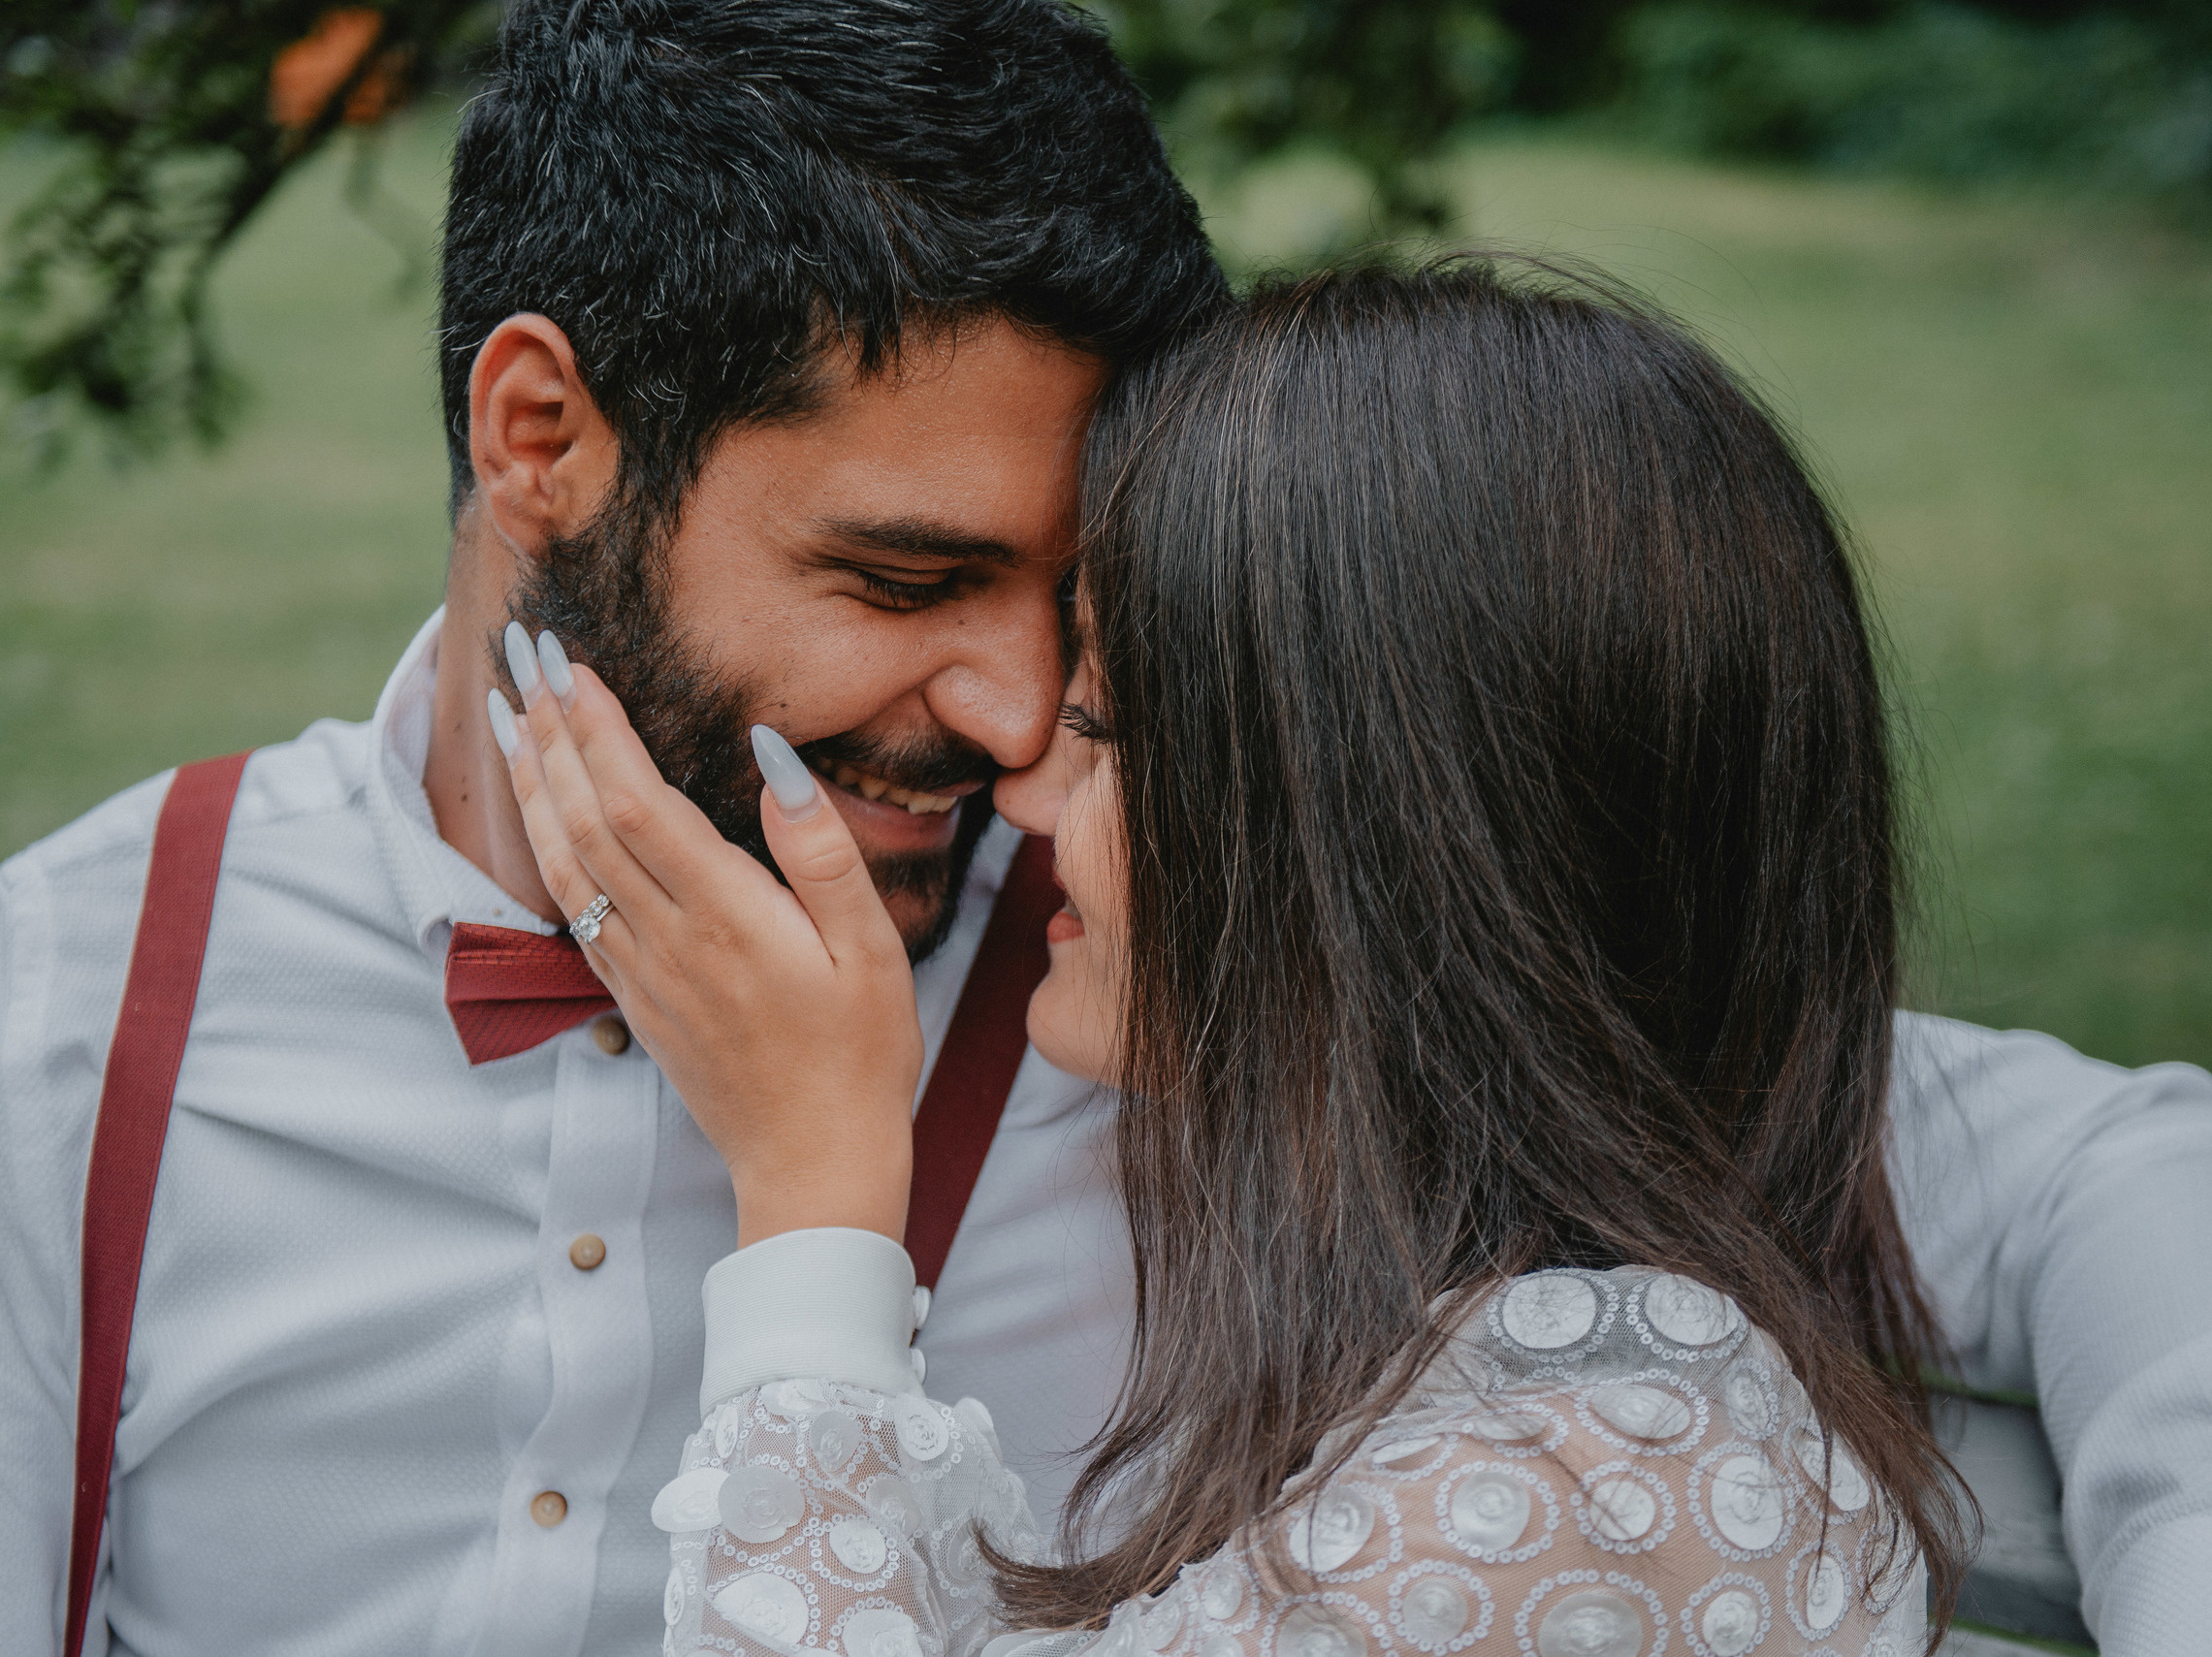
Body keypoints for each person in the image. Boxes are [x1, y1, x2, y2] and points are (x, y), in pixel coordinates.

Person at [0, 3, 2210, 1654]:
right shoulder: (106, 971)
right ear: (540, 439)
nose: (1019, 714)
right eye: (903, 578)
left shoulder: (1243, 959)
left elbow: (2112, 1182)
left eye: (1074, 610)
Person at [491, 260, 1973, 1655]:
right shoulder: (1552, 1376)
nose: (1018, 776)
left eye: (1104, 724)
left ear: (1367, 831)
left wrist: (814, 1201)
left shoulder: (1588, 1460)